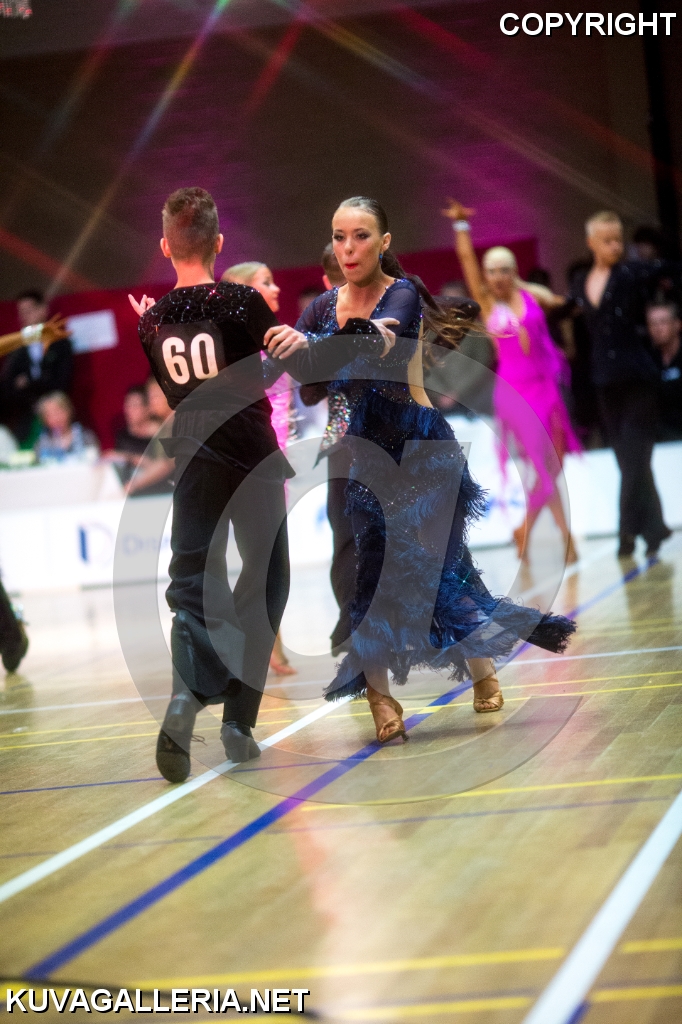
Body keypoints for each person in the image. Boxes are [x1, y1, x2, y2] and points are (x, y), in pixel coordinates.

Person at [271, 196, 576, 743]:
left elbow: (373, 348)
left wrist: (315, 344)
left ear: (384, 242)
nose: (348, 248)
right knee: (367, 580)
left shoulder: (403, 293)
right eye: (339, 237)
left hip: (424, 453)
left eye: (361, 236)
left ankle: (482, 668)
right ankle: (380, 700)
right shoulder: (320, 308)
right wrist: (297, 350)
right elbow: (311, 378)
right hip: (363, 462)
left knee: (444, 570)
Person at [131, 187, 392, 783]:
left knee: (190, 585)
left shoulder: (152, 321)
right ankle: (238, 723)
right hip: (251, 458)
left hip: (193, 462)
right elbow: (301, 369)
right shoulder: (242, 302)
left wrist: (152, 321)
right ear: (219, 243)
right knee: (265, 583)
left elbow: (174, 391)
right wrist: (352, 336)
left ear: (165, 246)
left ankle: (184, 699)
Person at [444, 199, 581, 563]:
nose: (498, 276)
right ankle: (563, 538)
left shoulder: (531, 295)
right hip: (515, 393)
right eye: (491, 271)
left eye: (504, 270)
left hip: (546, 387)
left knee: (553, 467)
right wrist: (461, 226)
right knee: (543, 468)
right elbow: (467, 261)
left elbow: (560, 304)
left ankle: (527, 531)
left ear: (513, 270)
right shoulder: (487, 304)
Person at [570, 211, 674, 558]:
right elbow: (565, 307)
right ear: (592, 243)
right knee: (629, 462)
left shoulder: (630, 273)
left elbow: (666, 267)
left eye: (618, 240)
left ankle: (626, 532)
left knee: (634, 458)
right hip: (604, 382)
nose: (615, 246)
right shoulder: (580, 280)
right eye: (608, 240)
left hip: (638, 380)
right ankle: (655, 529)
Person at [222, 261, 296, 676]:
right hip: (252, 458)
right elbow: (260, 381)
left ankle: (268, 645)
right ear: (243, 293)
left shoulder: (272, 335)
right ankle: (248, 645)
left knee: (267, 557)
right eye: (265, 282)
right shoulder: (241, 344)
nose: (276, 287)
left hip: (274, 456)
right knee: (261, 558)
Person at [1, 291, 74, 446]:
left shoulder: (60, 343)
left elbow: (61, 382)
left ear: (43, 310)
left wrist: (28, 382)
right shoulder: (16, 349)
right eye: (21, 312)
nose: (25, 316)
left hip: (56, 418)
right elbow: (8, 388)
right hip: (26, 420)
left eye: (29, 310)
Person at [647, 302, 682, 441]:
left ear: (677, 324)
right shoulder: (647, 360)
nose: (657, 328)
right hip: (660, 435)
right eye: (652, 323)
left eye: (663, 322)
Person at [34, 391, 99, 464]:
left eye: (59, 412)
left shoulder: (86, 437)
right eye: (49, 415)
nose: (56, 419)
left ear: (69, 411)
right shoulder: (42, 445)